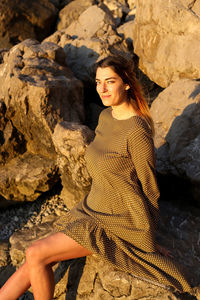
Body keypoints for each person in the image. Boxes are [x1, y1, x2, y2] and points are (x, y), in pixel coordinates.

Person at [0, 55, 192, 300]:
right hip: (93, 208)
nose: (102, 89)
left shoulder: (137, 130)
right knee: (33, 258)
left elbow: (149, 186)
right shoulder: (106, 116)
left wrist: (147, 237)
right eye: (98, 81)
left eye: (110, 82)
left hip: (119, 221)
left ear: (126, 84)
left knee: (36, 253)